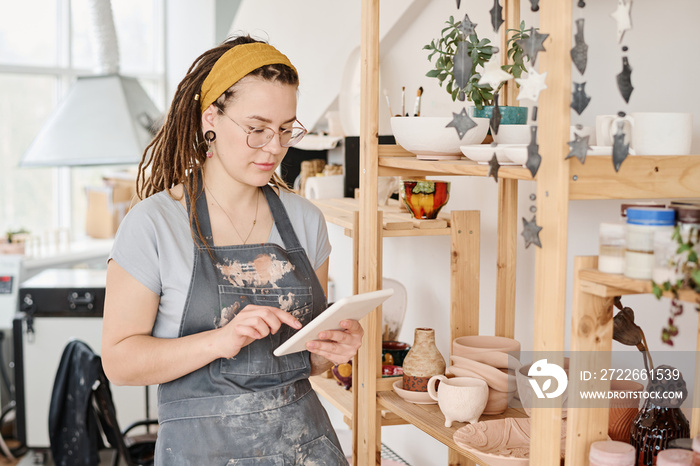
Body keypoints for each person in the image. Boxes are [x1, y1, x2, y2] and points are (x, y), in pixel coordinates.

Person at [101, 35, 363, 465]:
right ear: (212, 119)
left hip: (307, 448)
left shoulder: (306, 221)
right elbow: (119, 363)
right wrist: (220, 341)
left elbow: (307, 366)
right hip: (200, 452)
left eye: (285, 129)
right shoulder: (153, 225)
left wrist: (333, 351)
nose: (274, 147)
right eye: (256, 129)